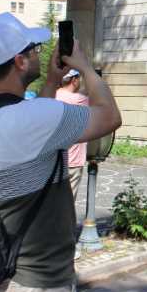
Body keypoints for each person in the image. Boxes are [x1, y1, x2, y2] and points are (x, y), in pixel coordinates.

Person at [0, 13, 122, 292]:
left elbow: (31, 130)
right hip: (34, 290)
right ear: (20, 61)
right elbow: (109, 117)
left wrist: (50, 83)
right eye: (33, 49)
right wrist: (86, 67)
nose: (39, 53)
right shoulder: (35, 118)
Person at [55, 69, 89, 201]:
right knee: (68, 202)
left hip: (54, 160)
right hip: (73, 160)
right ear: (74, 80)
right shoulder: (80, 100)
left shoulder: (52, 96)